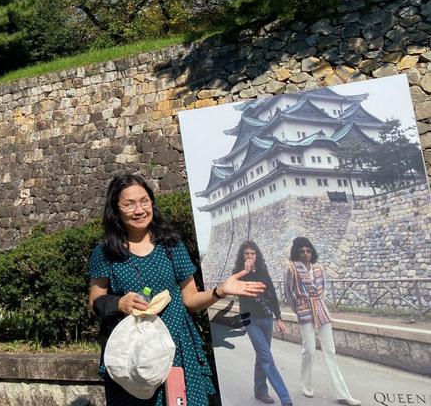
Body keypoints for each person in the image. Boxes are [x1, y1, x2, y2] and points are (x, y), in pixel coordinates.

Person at [88, 172, 266, 406]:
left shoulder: (171, 244)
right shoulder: (105, 253)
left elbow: (190, 299)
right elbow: (95, 301)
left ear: (152, 202)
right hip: (134, 355)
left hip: (176, 347)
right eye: (129, 204)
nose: (139, 210)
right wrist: (120, 303)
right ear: (116, 210)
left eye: (144, 201)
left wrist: (220, 291)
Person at [283, 237, 361, 406]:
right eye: (302, 251)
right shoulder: (291, 268)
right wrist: (298, 309)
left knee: (330, 351)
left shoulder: (319, 268)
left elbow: (323, 288)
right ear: (296, 252)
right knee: (309, 349)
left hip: (320, 308)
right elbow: (288, 292)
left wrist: (319, 302)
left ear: (312, 251)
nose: (306, 254)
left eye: (308, 250)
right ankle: (306, 384)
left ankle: (342, 394)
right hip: (304, 309)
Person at [232, 240, 293, 406]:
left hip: (266, 318)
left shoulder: (263, 272)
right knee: (266, 357)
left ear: (256, 255)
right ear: (242, 256)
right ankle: (286, 399)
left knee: (262, 355)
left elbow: (272, 295)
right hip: (250, 319)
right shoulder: (237, 273)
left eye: (253, 253)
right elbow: (233, 289)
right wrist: (245, 271)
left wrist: (278, 318)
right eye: (247, 253)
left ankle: (260, 391)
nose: (250, 256)